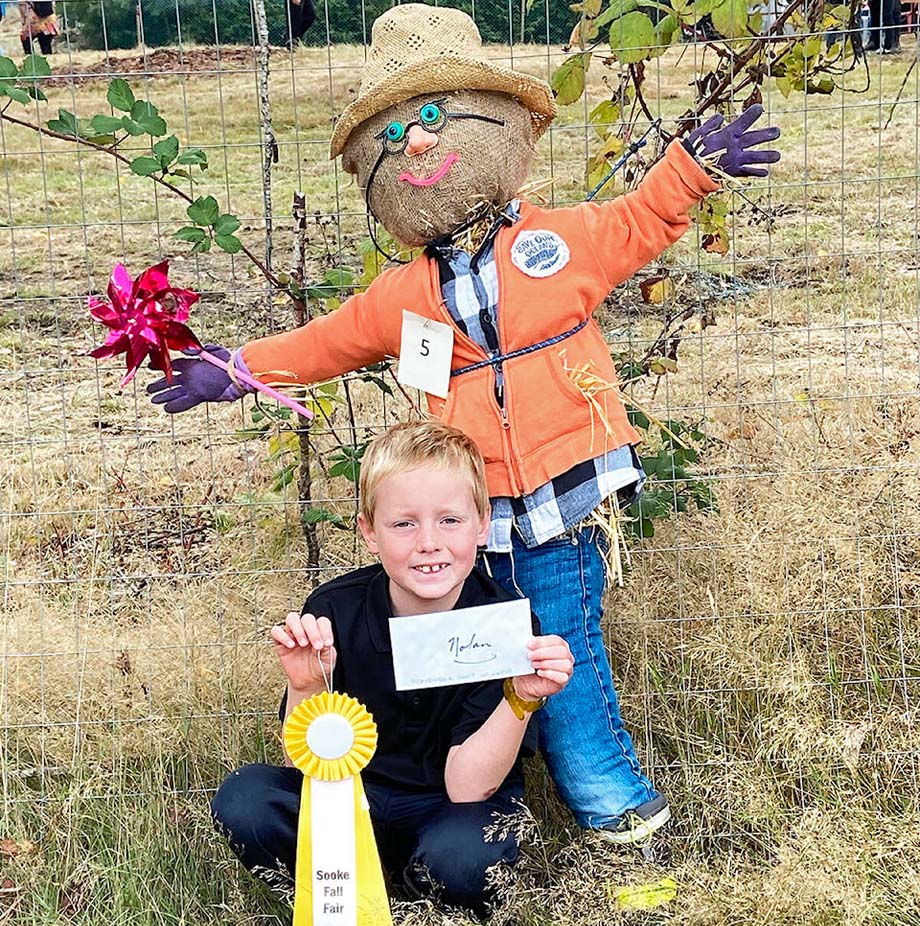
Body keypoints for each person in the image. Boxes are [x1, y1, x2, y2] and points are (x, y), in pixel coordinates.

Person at [152, 4, 780, 849]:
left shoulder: (559, 242)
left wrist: (690, 168)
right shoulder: (400, 297)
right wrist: (235, 369)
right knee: (475, 654)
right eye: (398, 128)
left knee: (563, 643)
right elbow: (322, 343)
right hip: (464, 517)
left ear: (503, 123)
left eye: (436, 116)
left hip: (562, 499)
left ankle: (608, 796)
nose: (415, 142)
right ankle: (462, 801)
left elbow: (637, 223)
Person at [211, 421, 574, 926]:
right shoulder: (335, 609)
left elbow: (467, 788)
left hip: (454, 810)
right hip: (353, 803)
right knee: (244, 799)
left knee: (466, 857)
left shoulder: (504, 626)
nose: (429, 543)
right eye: (403, 524)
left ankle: (428, 923)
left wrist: (520, 697)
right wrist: (306, 683)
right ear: (369, 531)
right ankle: (347, 901)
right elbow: (305, 757)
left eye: (449, 520)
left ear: (482, 524)